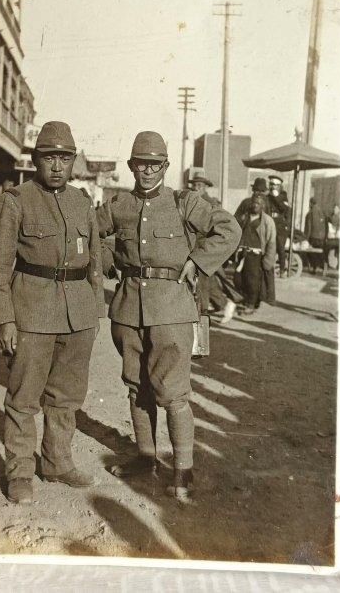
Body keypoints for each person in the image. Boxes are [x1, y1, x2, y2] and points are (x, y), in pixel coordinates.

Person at [97, 131, 240, 499]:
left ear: (165, 166)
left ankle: (183, 469)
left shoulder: (184, 202)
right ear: (131, 166)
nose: (147, 171)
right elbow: (87, 232)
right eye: (141, 164)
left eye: (155, 165)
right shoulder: (119, 205)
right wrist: (108, 259)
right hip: (128, 311)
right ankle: (146, 458)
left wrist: (197, 262)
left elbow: (229, 229)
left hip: (172, 312)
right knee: (136, 388)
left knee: (173, 394)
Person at [0, 121, 105, 505]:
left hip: (77, 314)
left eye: (64, 159)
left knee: (67, 396)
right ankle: (20, 472)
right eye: (49, 158)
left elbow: (96, 261)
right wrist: (4, 319)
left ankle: (57, 462)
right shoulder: (16, 200)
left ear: (73, 161)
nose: (56, 166)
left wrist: (95, 311)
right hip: (32, 312)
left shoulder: (82, 201)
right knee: (24, 398)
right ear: (36, 160)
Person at [189, 174, 238, 323]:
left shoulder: (210, 203)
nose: (195, 188)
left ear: (205, 187)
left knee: (202, 282)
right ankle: (223, 304)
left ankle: (202, 313)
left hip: (205, 248)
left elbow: (219, 226)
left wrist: (211, 247)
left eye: (199, 185)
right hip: (193, 246)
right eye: (194, 185)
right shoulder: (190, 201)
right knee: (208, 281)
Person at [234, 194, 276, 314]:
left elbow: (271, 241)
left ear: (263, 206)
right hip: (242, 253)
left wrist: (268, 260)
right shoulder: (244, 217)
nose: (255, 205)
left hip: (256, 255)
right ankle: (246, 300)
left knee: (253, 281)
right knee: (238, 279)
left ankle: (251, 305)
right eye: (254, 202)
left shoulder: (267, 221)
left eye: (258, 203)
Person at [266, 175, 292, 277]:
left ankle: (282, 270)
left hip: (280, 225)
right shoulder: (268, 197)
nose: (273, 187)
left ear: (279, 186)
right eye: (271, 184)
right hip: (269, 222)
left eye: (275, 185)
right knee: (268, 245)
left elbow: (285, 209)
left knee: (281, 247)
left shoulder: (283, 196)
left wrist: (276, 197)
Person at [304, 197, 327, 274]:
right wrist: (325, 236)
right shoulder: (322, 212)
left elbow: (308, 227)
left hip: (313, 237)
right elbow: (326, 225)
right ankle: (323, 266)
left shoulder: (310, 214)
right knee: (320, 252)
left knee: (311, 252)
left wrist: (306, 238)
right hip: (322, 237)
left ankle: (314, 268)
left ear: (310, 203)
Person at [323, 204, 340, 272]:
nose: (335, 210)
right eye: (334, 208)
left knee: (339, 252)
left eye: (336, 209)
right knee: (325, 250)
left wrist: (336, 229)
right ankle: (326, 265)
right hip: (332, 238)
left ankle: (338, 266)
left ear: (339, 210)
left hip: (337, 239)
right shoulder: (331, 217)